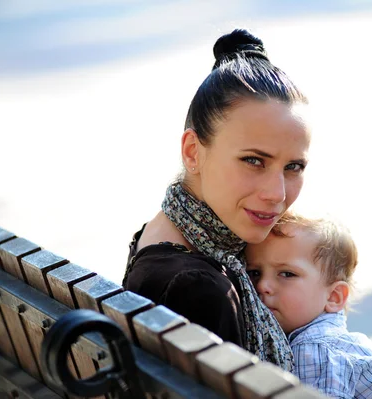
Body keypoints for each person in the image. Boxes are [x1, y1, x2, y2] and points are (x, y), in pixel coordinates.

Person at [122, 28, 312, 371]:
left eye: (293, 167)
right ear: (193, 152)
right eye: (254, 160)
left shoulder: (161, 234)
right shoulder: (200, 289)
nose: (278, 194)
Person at [245, 214, 372, 398]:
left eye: (287, 274)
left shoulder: (315, 349)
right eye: (254, 273)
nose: (263, 285)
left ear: (334, 297)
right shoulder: (336, 342)